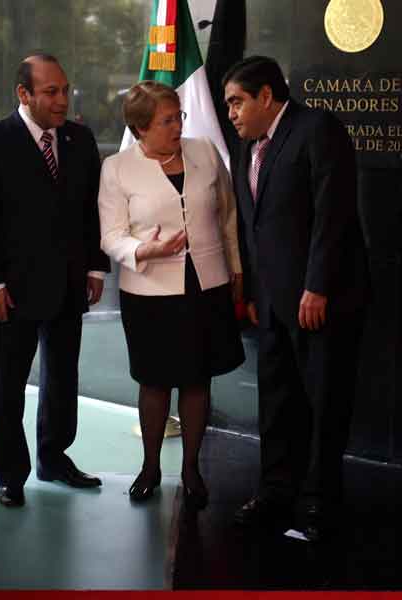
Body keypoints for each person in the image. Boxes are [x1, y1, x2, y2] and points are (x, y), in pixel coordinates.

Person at [223, 56, 368, 541]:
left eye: (237, 102)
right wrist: (251, 290)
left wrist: (317, 285)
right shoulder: (247, 146)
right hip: (270, 302)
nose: (231, 114)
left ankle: (320, 504)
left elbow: (334, 214)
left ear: (266, 96)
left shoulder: (317, 129)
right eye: (228, 105)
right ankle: (274, 492)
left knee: (324, 405)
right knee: (276, 403)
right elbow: (253, 225)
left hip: (319, 299)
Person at [0, 54, 110, 508]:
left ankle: (54, 458)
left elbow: (92, 208)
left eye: (65, 90)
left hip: (69, 284)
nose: (62, 100)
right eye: (51, 92)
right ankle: (11, 474)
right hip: (11, 290)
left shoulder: (80, 139)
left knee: (62, 378)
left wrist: (95, 267)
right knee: (6, 385)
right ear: (23, 94)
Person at [98, 81, 244, 508]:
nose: (178, 126)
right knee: (155, 381)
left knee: (198, 379)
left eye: (178, 116)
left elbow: (228, 215)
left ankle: (192, 469)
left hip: (207, 285)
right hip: (149, 291)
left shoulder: (205, 152)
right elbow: (110, 236)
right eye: (166, 121)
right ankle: (150, 467)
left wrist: (236, 268)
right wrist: (144, 250)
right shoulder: (116, 168)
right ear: (140, 128)